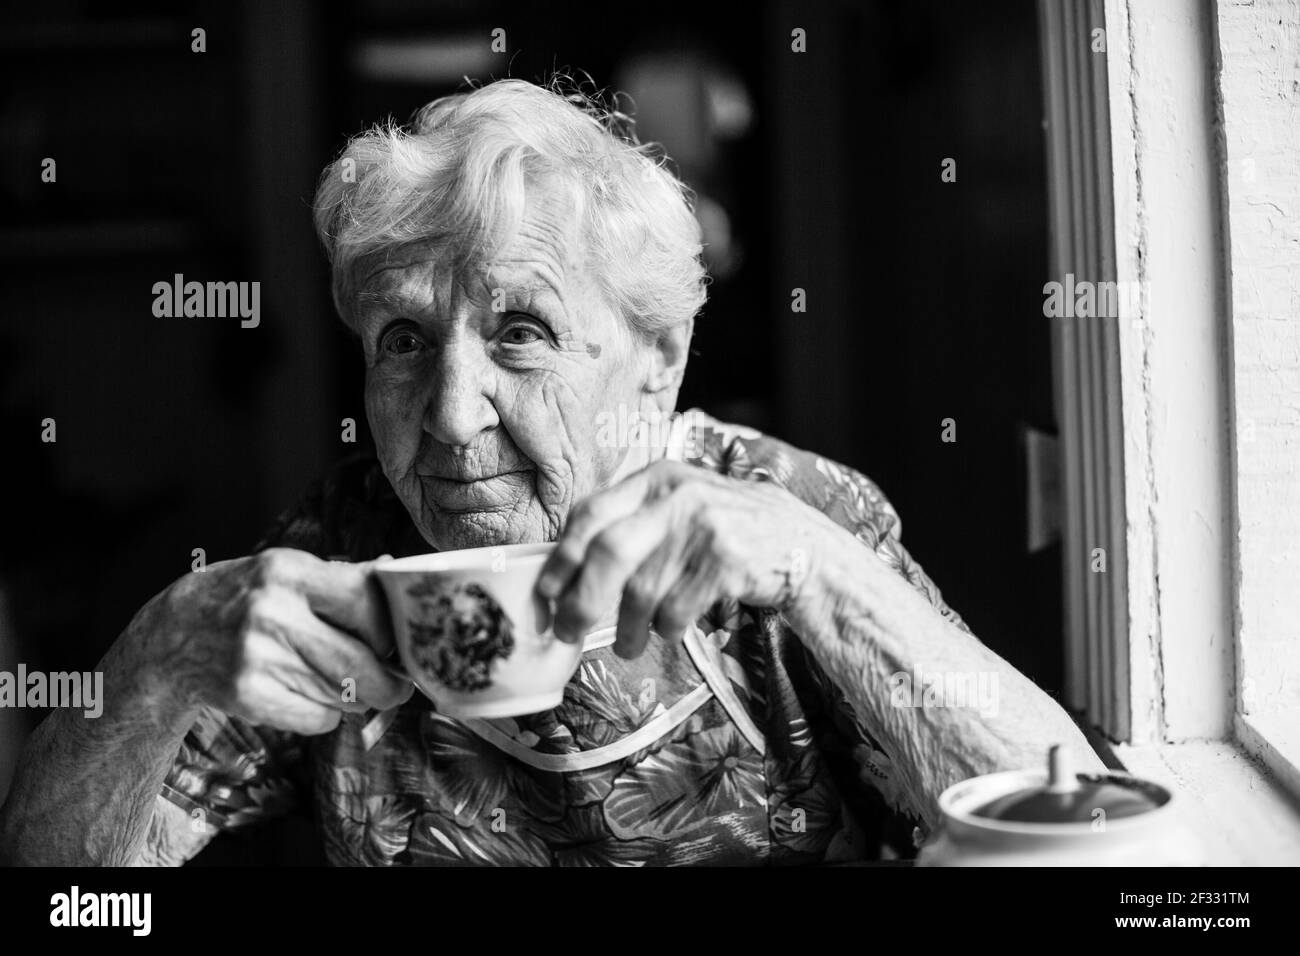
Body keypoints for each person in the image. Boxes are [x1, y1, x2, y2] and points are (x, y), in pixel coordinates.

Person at [0, 78, 1102, 866]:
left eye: (519, 329)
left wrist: (822, 573)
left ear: (656, 363)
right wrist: (155, 658)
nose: (447, 410)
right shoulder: (340, 553)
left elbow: (1086, 832)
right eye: (403, 339)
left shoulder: (784, 518)